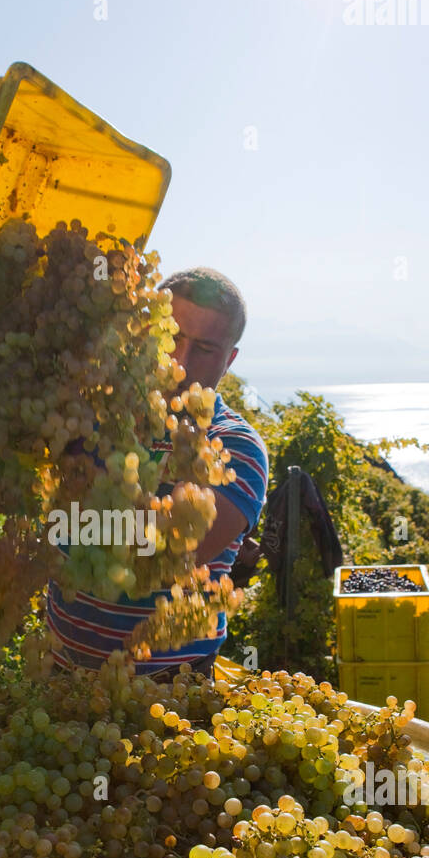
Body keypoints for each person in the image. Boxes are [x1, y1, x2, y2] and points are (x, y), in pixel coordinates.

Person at [46, 267, 269, 677]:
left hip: (168, 692)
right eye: (172, 338)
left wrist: (73, 516)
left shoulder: (235, 448)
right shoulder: (87, 410)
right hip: (59, 667)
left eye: (204, 349)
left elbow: (162, 558)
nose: (181, 363)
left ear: (230, 359)